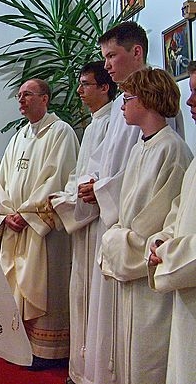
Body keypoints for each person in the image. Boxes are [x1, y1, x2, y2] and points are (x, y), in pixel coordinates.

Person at [77, 21, 183, 384]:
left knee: (143, 346)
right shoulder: (125, 108)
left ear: (136, 52)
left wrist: (110, 204)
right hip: (117, 230)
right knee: (118, 334)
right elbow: (115, 163)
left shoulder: (153, 100)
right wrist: (96, 186)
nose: (106, 65)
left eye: (112, 56)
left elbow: (160, 187)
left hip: (137, 244)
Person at [98, 68, 192, 384]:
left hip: (150, 271)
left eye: (127, 98)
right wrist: (118, 235)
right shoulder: (141, 147)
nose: (122, 105)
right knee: (130, 356)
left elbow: (160, 217)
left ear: (148, 99)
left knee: (149, 358)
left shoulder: (172, 149)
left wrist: (118, 241)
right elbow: (127, 206)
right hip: (133, 266)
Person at [0, 78, 79, 369]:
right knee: (15, 284)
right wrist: (8, 212)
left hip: (42, 231)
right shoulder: (18, 136)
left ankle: (47, 352)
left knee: (44, 285)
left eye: (28, 94)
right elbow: (3, 180)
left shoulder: (61, 132)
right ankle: (21, 347)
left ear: (45, 99)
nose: (21, 99)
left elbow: (58, 178)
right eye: (19, 95)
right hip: (17, 226)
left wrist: (29, 214)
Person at [49, 62, 116, 384]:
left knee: (93, 299)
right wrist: (66, 196)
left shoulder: (115, 122)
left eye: (86, 84)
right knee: (80, 296)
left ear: (105, 87)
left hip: (99, 223)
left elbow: (105, 176)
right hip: (84, 221)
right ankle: (79, 370)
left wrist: (74, 199)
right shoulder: (92, 126)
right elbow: (80, 175)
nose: (79, 91)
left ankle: (90, 371)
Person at [147, 61, 196, 384]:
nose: (189, 101)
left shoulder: (173, 148)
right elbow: (180, 209)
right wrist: (162, 240)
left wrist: (169, 254)